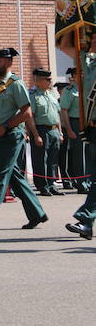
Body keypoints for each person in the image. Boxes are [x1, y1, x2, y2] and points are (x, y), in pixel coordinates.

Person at [0, 48, 47, 232]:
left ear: (9, 62)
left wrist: (6, 126)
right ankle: (36, 213)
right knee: (15, 177)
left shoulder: (15, 84)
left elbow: (26, 113)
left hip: (10, 136)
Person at [57, 32, 96, 240]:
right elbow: (64, 46)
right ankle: (86, 221)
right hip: (92, 126)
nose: (94, 41)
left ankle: (85, 218)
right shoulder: (88, 63)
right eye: (93, 38)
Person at [28, 68, 63, 198]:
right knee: (41, 159)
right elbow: (30, 117)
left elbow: (57, 114)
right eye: (47, 80)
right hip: (41, 129)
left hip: (53, 129)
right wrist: (36, 134)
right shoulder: (33, 95)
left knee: (53, 159)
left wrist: (60, 132)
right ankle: (42, 185)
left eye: (50, 79)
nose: (50, 81)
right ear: (38, 81)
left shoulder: (52, 95)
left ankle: (51, 184)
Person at [60, 67, 90, 194]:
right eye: (80, 73)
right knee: (80, 154)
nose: (83, 75)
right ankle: (81, 183)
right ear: (73, 75)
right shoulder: (69, 90)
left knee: (89, 153)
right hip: (76, 123)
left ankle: (89, 181)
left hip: (88, 122)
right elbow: (64, 111)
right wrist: (69, 129)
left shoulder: (88, 87)